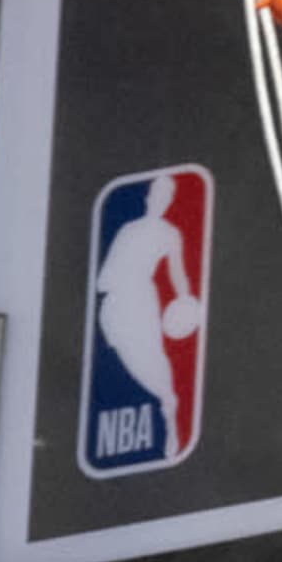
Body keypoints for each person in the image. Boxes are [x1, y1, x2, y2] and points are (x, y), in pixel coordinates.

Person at [92, 171, 200, 455]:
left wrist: (186, 301)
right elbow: (105, 274)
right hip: (115, 303)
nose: (159, 199)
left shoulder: (169, 233)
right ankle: (166, 401)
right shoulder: (129, 229)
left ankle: (171, 416)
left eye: (166, 196)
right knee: (125, 355)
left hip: (141, 299)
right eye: (156, 193)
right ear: (149, 197)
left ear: (169, 200)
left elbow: (178, 274)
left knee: (151, 357)